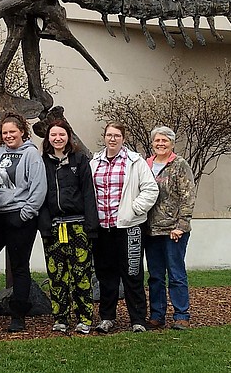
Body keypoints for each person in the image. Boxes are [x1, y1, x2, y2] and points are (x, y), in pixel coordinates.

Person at [89, 122, 158, 334]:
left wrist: (133, 209)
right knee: (106, 275)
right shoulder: (94, 162)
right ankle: (107, 318)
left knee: (132, 274)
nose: (112, 139)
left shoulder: (135, 162)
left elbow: (150, 189)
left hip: (129, 228)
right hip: (103, 227)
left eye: (117, 135)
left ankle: (137, 319)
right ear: (104, 137)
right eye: (109, 135)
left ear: (123, 138)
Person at [0, 112, 46, 332]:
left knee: (19, 267)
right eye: (4, 132)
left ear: (22, 132)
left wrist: (25, 214)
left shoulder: (31, 154)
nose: (8, 136)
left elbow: (38, 188)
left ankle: (18, 315)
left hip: (20, 216)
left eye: (12, 132)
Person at [39, 118, 98, 334]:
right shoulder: (42, 162)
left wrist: (91, 226)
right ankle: (61, 318)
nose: (57, 138)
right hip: (54, 228)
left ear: (68, 137)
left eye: (61, 134)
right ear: (48, 138)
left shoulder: (80, 161)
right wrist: (45, 226)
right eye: (53, 135)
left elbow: (89, 194)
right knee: (57, 276)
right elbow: (40, 196)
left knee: (81, 274)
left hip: (78, 226)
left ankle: (84, 318)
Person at [143, 126, 196, 331]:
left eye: (165, 140)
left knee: (176, 274)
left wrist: (181, 225)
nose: (160, 144)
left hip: (173, 230)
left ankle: (181, 315)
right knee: (155, 276)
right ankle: (157, 315)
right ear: (152, 143)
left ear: (172, 144)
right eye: (157, 140)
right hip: (151, 230)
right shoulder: (146, 164)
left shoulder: (180, 164)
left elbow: (188, 196)